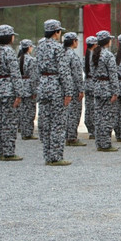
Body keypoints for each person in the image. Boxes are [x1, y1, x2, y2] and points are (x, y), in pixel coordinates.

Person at [36, 19, 73, 166]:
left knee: (45, 123)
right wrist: (68, 92)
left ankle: (47, 155)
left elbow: (36, 68)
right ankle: (56, 156)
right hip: (56, 86)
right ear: (56, 32)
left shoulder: (40, 46)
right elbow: (64, 71)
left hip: (43, 85)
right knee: (58, 123)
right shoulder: (58, 48)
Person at [0, 25, 24, 161]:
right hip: (9, 89)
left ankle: (0, 150)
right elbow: (15, 73)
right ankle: (9, 152)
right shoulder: (9, 51)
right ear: (9, 37)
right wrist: (19, 93)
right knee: (9, 122)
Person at [91, 30, 119, 152]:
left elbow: (92, 73)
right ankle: (106, 144)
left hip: (98, 87)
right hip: (107, 88)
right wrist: (115, 91)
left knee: (98, 116)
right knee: (107, 117)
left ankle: (99, 143)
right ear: (107, 41)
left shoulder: (95, 54)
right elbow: (113, 74)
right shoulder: (108, 55)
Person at [62, 32, 86, 147]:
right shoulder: (73, 55)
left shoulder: (62, 54)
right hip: (73, 88)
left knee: (66, 113)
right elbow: (77, 74)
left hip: (64, 87)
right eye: (76, 41)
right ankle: (72, 137)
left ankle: (67, 135)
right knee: (74, 113)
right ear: (73, 42)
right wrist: (81, 89)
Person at [17, 39, 38, 140]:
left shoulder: (18, 59)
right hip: (29, 87)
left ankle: (23, 131)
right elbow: (33, 77)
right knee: (30, 112)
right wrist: (35, 90)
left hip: (20, 86)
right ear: (29, 47)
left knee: (22, 110)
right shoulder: (31, 60)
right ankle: (28, 132)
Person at [84, 36, 98, 139]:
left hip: (87, 83)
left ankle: (90, 128)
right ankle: (94, 130)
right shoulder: (95, 55)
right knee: (94, 107)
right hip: (94, 83)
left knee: (88, 107)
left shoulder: (86, 55)